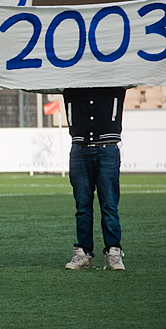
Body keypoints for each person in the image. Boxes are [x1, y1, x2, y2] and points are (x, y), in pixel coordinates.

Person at [62, 87, 126, 271]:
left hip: (108, 147)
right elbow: (42, 80)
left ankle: (114, 252)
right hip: (80, 147)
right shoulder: (70, 73)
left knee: (109, 205)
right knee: (82, 206)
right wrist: (4, 73)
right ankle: (83, 252)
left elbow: (139, 72)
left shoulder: (115, 71)